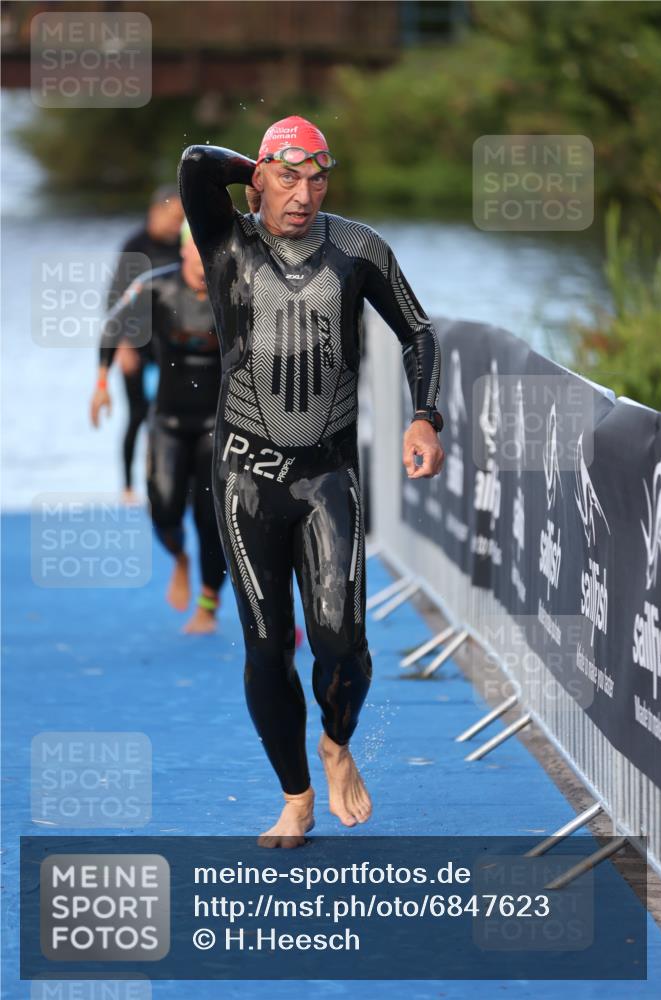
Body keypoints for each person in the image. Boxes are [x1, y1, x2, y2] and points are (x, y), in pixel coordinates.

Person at [178, 115, 444, 847]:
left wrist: (425, 417)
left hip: (327, 475)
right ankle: (295, 796)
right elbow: (196, 163)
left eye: (317, 178)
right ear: (258, 176)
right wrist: (261, 167)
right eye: (287, 177)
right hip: (244, 477)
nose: (303, 193)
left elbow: (417, 332)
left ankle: (335, 744)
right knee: (267, 649)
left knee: (343, 646)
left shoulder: (357, 248)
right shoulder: (226, 241)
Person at [91, 223, 227, 634]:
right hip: (167, 421)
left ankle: (207, 605)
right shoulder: (154, 287)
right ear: (183, 252)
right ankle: (180, 560)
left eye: (212, 257)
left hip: (215, 427)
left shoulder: (237, 292)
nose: (205, 266)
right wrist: (101, 382)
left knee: (211, 521)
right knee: (164, 509)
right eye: (197, 255)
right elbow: (113, 326)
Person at [107, 185, 185, 503]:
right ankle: (127, 486)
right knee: (138, 413)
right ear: (156, 212)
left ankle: (164, 479)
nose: (178, 225)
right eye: (174, 217)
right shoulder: (135, 246)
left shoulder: (182, 245)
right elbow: (114, 302)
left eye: (183, 219)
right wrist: (122, 348)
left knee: (169, 413)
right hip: (135, 343)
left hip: (169, 344)